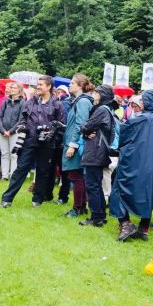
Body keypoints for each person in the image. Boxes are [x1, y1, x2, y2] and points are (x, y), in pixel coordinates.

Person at [109, 89, 153, 241]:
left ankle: (125, 224)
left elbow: (124, 132)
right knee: (148, 193)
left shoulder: (143, 119)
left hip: (135, 162)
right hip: (152, 164)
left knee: (119, 189)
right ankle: (143, 228)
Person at [0, 76, 65, 208]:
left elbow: (62, 125)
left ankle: (37, 200)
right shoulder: (31, 102)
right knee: (21, 169)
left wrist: (51, 134)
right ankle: (7, 199)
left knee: (42, 171)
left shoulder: (57, 105)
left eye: (41, 84)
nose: (38, 86)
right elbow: (23, 118)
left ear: (49, 87)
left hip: (47, 144)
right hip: (29, 141)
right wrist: (22, 126)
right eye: (37, 84)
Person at [78, 84, 117, 228]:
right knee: (97, 184)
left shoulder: (101, 109)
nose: (94, 95)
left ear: (103, 95)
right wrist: (87, 131)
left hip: (96, 151)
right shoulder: (107, 109)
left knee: (92, 185)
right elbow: (89, 128)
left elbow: (86, 125)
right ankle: (100, 215)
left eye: (97, 93)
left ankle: (96, 217)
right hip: (100, 151)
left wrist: (85, 130)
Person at [58, 74, 94, 218]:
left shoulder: (83, 101)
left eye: (72, 83)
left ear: (80, 86)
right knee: (77, 175)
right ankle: (81, 207)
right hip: (73, 141)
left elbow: (81, 124)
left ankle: (77, 208)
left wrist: (73, 145)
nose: (69, 85)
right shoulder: (78, 101)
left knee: (76, 176)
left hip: (76, 143)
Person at [0, 82, 24, 180]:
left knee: (13, 154)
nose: (12, 89)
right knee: (4, 153)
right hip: (2, 131)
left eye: (14, 87)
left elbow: (21, 120)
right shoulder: (5, 102)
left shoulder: (22, 103)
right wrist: (2, 130)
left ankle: (13, 175)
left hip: (15, 132)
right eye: (11, 87)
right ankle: (4, 176)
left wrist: (10, 131)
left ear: (19, 91)